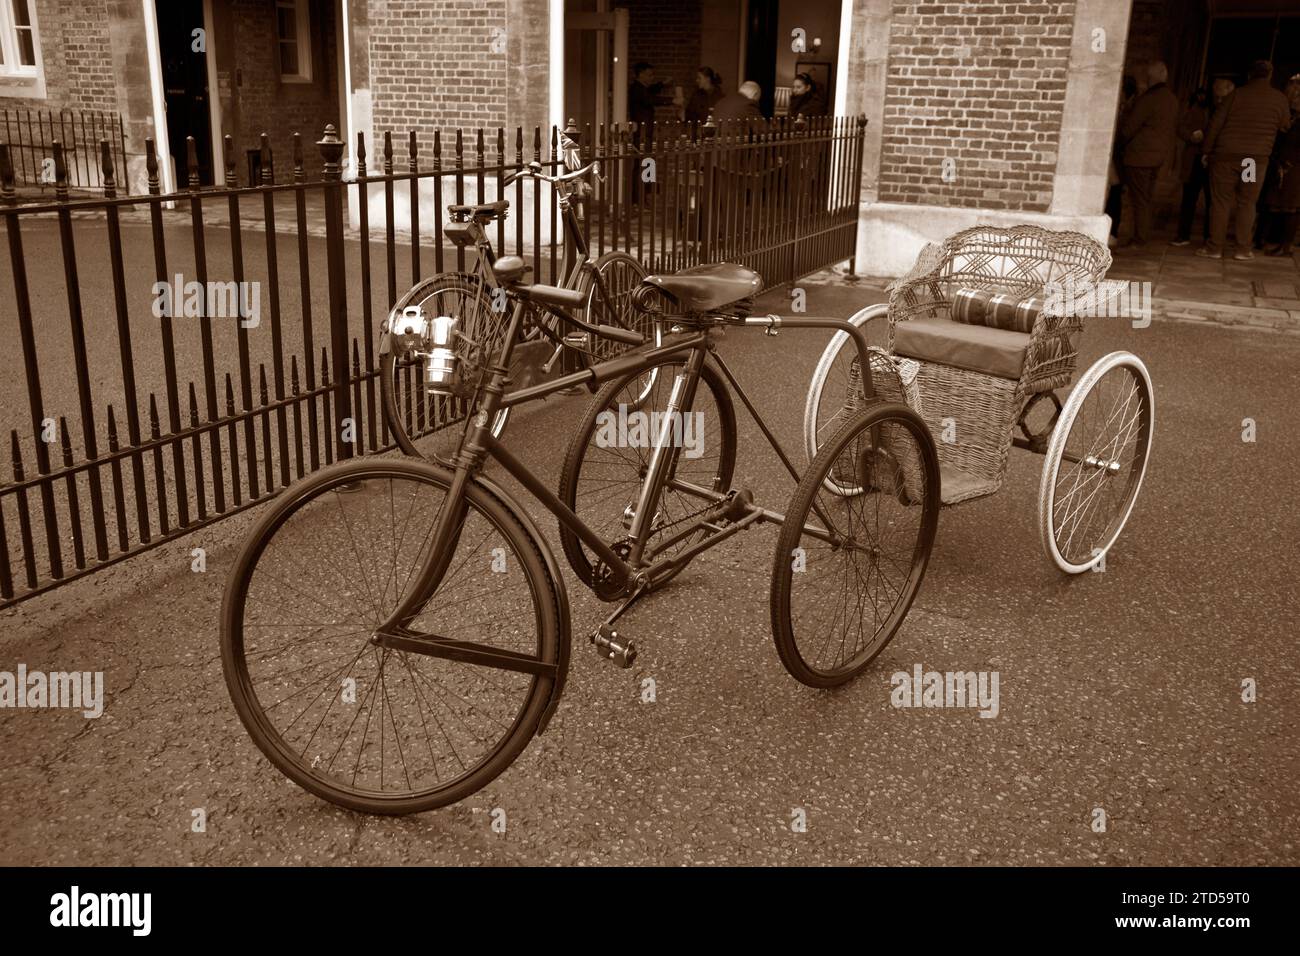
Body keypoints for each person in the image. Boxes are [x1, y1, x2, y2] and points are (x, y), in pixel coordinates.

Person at [1198, 60, 1292, 260]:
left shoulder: (1235, 95)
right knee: (1247, 203)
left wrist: (1206, 150)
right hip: (1252, 161)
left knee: (1221, 202)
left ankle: (1214, 248)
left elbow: (1215, 124)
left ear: (1250, 75)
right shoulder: (1279, 99)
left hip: (1225, 158)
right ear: (1269, 75)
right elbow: (1285, 126)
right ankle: (1242, 249)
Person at [1117, 61, 1179, 248]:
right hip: (1158, 156)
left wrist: (1119, 142)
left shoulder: (1148, 99)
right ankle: (1141, 235)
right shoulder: (1171, 99)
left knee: (1138, 200)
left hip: (1139, 157)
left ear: (1151, 78)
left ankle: (1139, 238)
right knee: (1146, 197)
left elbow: (1130, 128)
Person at [1261, 75, 1300, 256]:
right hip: (1284, 163)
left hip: (1294, 166)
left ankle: (1286, 247)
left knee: (1291, 207)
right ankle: (1275, 241)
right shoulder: (1292, 116)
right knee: (1280, 205)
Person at [1171, 88, 1211, 246]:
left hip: (1211, 159)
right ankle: (1183, 234)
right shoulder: (1192, 108)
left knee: (1212, 201)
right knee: (1189, 199)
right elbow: (1180, 127)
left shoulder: (1219, 109)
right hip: (1194, 157)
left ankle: (1209, 236)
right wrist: (1190, 136)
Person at [1105, 74, 1139, 243]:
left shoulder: (1127, 110)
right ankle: (1112, 231)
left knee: (1116, 188)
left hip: (1118, 155)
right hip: (1113, 153)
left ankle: (1113, 231)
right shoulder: (1121, 108)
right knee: (1114, 189)